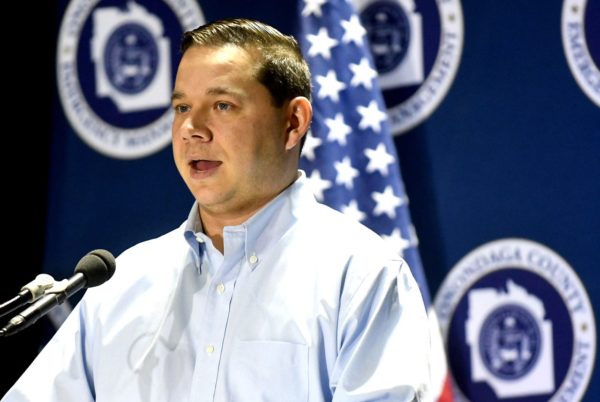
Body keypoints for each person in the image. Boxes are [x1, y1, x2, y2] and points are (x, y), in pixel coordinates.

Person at [3, 18, 432, 401]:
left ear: (293, 122)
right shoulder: (121, 284)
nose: (192, 129)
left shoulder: (361, 277)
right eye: (182, 108)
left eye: (222, 105)